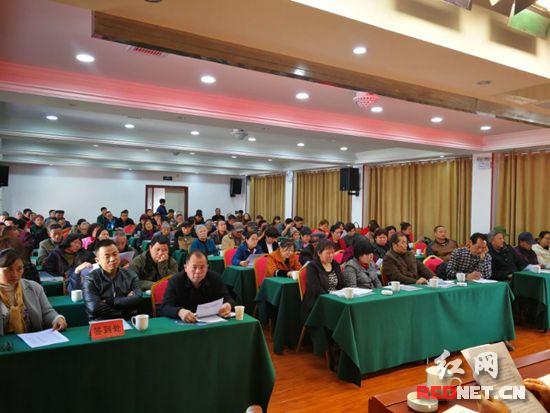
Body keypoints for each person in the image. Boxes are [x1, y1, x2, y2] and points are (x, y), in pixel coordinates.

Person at [0, 249, 67, 336]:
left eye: (19, 269)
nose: (15, 274)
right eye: (9, 270)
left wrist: (57, 319)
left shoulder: (34, 287)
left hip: (32, 339)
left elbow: (47, 312)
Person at [160, 250, 234, 322]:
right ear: (185, 268)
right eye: (194, 267)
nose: (198, 271)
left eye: (202, 267)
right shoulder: (176, 281)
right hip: (184, 324)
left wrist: (228, 305)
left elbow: (228, 299)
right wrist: (179, 312)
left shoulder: (215, 278)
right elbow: (165, 307)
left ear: (207, 267)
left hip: (211, 323)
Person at [83, 239, 142, 320]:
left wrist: (110, 301)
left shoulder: (131, 275)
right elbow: (95, 308)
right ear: (97, 260)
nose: (112, 259)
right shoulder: (90, 279)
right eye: (107, 256)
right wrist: (124, 310)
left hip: (129, 321)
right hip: (101, 322)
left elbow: (138, 298)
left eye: (115, 254)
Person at [301, 239, 344, 322]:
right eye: (328, 253)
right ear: (319, 253)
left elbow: (341, 284)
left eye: (332, 252)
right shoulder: (312, 266)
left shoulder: (335, 264)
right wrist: (331, 298)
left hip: (336, 299)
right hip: (318, 302)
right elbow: (315, 288)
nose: (331, 255)